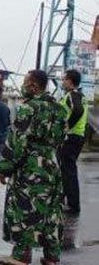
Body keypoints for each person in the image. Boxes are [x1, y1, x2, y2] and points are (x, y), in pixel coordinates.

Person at [0, 69, 67, 265]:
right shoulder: (60, 109)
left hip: (30, 167)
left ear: (34, 86)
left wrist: (5, 168)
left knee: (24, 209)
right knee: (52, 212)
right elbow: (61, 138)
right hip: (52, 165)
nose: (24, 86)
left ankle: (21, 255)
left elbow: (18, 142)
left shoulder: (29, 108)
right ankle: (52, 256)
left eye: (26, 82)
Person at [58, 69, 88, 214]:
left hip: (71, 137)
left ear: (70, 81)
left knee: (68, 171)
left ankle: (73, 205)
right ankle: (64, 199)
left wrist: (67, 126)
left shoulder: (72, 95)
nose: (62, 82)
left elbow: (77, 110)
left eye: (64, 79)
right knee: (66, 169)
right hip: (78, 136)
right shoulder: (81, 95)